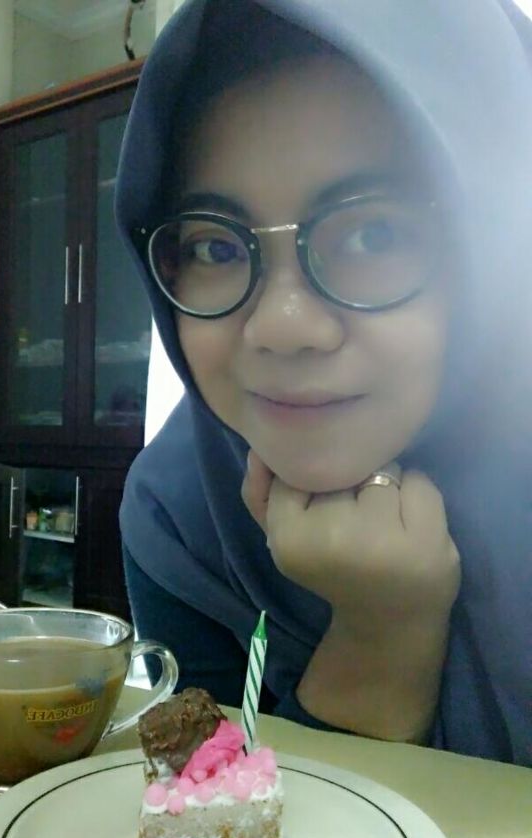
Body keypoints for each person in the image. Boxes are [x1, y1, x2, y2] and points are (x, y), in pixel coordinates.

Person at [114, 0, 532, 766]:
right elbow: (216, 806)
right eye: (214, 247)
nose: (283, 325)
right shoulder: (179, 514)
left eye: (375, 233)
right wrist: (380, 635)